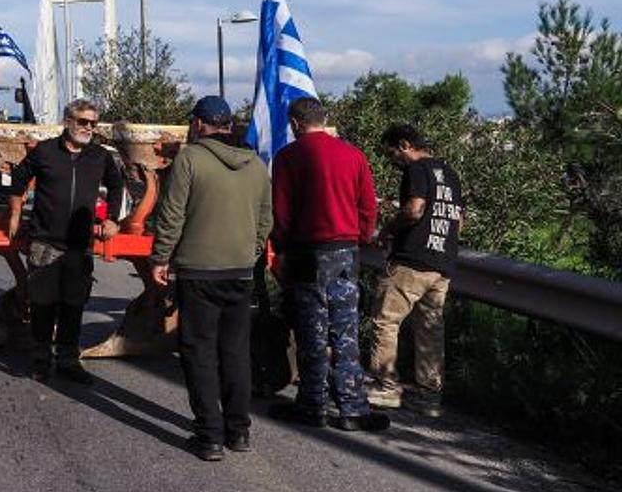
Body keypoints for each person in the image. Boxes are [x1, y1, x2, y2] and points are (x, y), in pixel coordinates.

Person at [150, 96, 272, 461]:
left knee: (199, 351)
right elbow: (267, 218)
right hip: (240, 271)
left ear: (200, 124)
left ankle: (209, 436)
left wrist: (160, 257)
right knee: (234, 351)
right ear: (229, 125)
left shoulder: (190, 158)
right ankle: (239, 431)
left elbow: (172, 214)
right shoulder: (256, 164)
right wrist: (249, 253)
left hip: (199, 270)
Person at [267, 97, 389, 432]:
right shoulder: (353, 155)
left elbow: (282, 212)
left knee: (312, 330)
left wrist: (281, 248)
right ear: (324, 119)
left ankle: (313, 404)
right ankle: (351, 407)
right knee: (345, 330)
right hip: (346, 251)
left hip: (308, 252)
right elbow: (368, 208)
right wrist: (359, 236)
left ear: (295, 124)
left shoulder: (289, 157)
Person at [6, 99, 122, 385]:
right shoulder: (44, 152)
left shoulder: (99, 156)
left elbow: (117, 184)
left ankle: (69, 360)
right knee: (43, 305)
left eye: (93, 123)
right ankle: (41, 359)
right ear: (67, 121)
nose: (88, 128)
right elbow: (18, 179)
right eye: (83, 122)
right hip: (44, 243)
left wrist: (113, 219)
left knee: (73, 306)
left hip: (79, 246)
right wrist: (14, 215)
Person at [367, 124, 464, 418]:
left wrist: (386, 231)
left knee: (385, 321)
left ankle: (386, 387)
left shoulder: (417, 169)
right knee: (430, 329)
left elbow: (415, 209)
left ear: (405, 144)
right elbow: (459, 222)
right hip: (442, 261)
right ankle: (429, 396)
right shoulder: (451, 173)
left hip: (412, 260)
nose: (391, 161)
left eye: (391, 153)